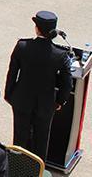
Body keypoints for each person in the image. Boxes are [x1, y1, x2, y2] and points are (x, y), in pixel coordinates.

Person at [4, 11, 73, 161]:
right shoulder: (60, 54)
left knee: (20, 138)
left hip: (21, 100)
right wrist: (60, 101)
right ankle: (37, 170)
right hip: (46, 104)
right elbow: (67, 82)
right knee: (41, 140)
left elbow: (12, 73)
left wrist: (9, 95)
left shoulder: (22, 46)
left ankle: (17, 169)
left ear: (37, 28)